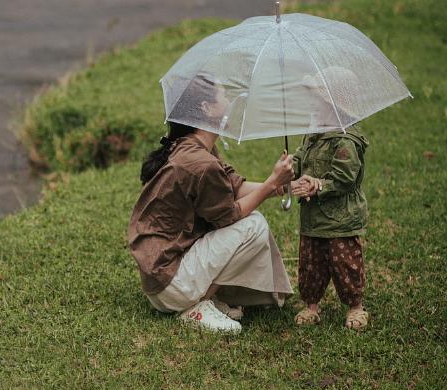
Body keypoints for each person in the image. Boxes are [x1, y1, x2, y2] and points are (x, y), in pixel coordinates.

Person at [127, 74, 299, 334]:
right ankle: (198, 304)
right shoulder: (199, 162)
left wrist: (285, 186)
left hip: (162, 281)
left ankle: (202, 297)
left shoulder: (191, 147)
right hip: (172, 284)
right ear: (206, 108)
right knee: (254, 225)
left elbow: (234, 186)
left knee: (251, 222)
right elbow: (230, 215)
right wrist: (270, 184)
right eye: (223, 95)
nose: (229, 100)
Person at [291, 66, 370, 330]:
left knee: (345, 263)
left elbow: (345, 179)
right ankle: (311, 305)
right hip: (313, 219)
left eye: (318, 99)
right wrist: (291, 167)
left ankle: (355, 306)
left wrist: (318, 186)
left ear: (336, 104)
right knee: (311, 263)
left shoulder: (345, 140)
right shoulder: (314, 136)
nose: (312, 104)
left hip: (340, 219)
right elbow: (302, 159)